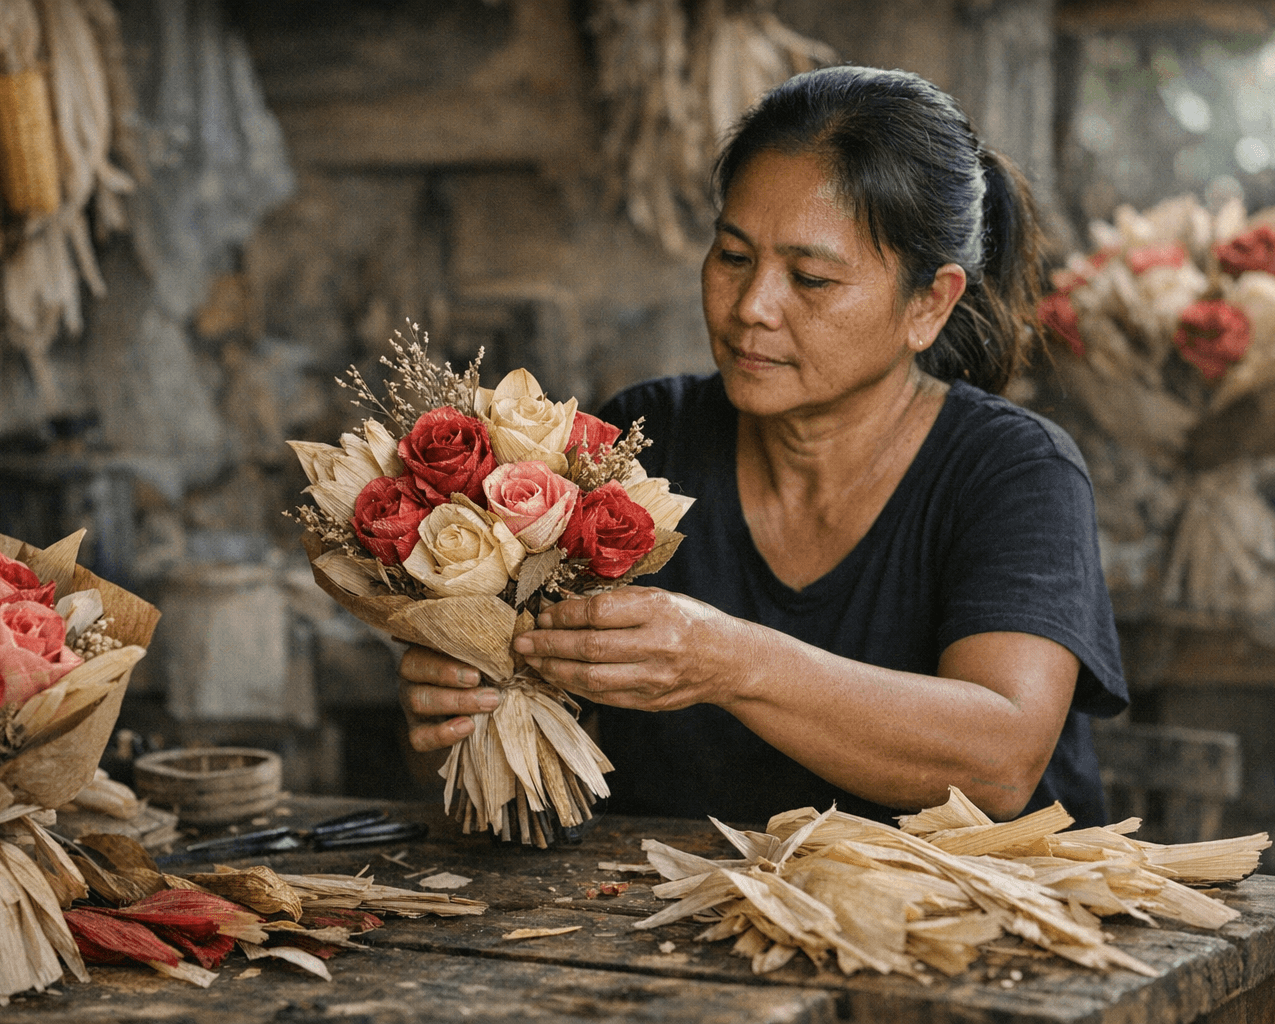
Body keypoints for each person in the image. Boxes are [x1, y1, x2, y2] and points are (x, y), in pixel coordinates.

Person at [399, 65, 1128, 827]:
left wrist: (728, 661)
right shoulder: (643, 443)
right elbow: (536, 755)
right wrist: (461, 703)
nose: (752, 307)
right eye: (734, 257)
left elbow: (1001, 764)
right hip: (666, 923)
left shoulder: (1012, 470)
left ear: (930, 303)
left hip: (963, 926)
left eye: (810, 278)